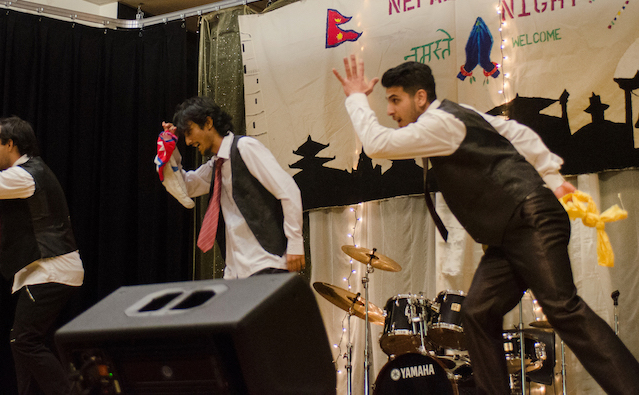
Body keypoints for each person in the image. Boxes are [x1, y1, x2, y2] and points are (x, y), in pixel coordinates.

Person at [332, 56, 639, 394]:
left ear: (420, 97)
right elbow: (516, 131)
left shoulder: (439, 124)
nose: (390, 111)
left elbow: (376, 145)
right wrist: (552, 175)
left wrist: (356, 98)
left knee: (564, 310)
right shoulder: (461, 115)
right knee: (477, 314)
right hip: (509, 234)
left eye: (394, 100)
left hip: (529, 220)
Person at [0, 116, 83, 395]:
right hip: (48, 269)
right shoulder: (30, 172)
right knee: (23, 345)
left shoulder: (24, 175)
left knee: (24, 341)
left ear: (11, 144)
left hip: (52, 270)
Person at [161, 96, 305, 278]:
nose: (188, 142)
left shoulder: (245, 147)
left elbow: (289, 190)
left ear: (208, 122)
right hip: (236, 271)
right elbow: (186, 187)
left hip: (266, 262)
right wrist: (170, 150)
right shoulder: (215, 165)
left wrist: (295, 243)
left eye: (189, 132)